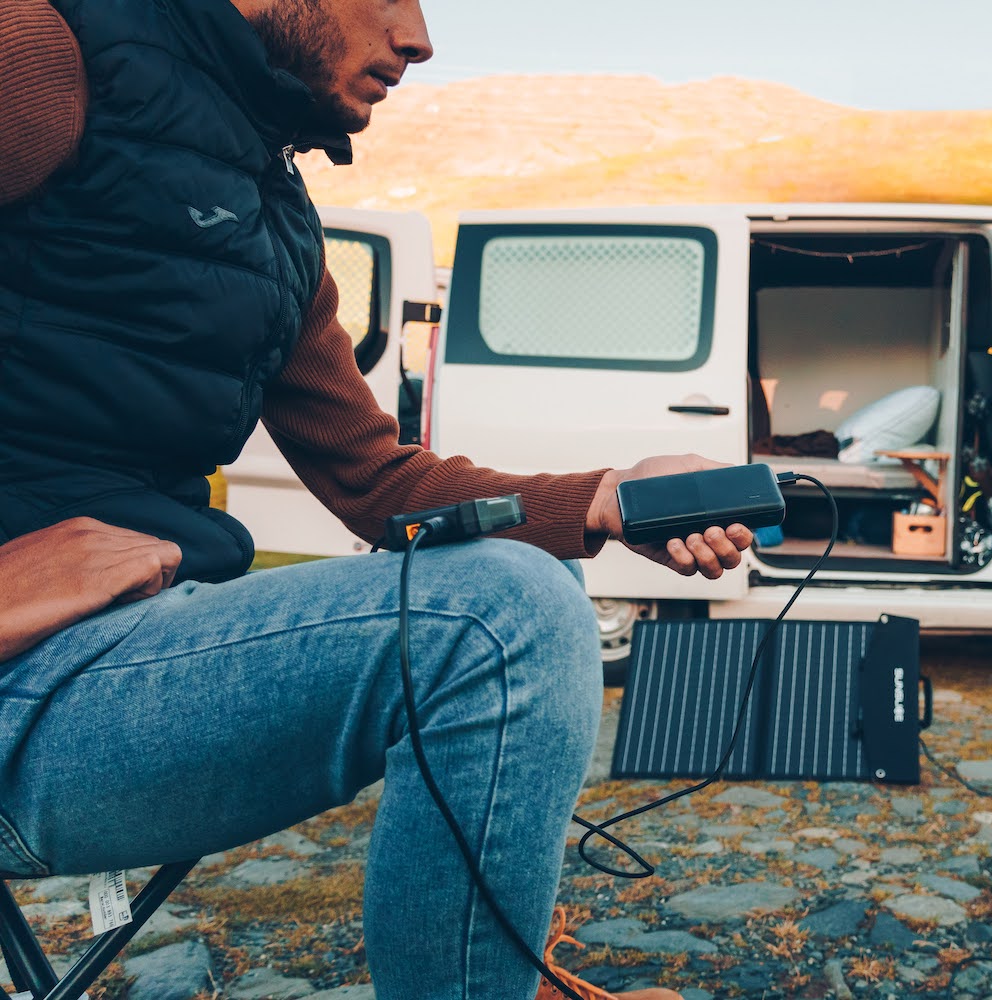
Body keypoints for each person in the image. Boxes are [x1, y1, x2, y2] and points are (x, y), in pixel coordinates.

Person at [0, 1, 752, 998]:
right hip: (26, 694)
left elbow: (375, 480)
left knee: (517, 587)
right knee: (501, 620)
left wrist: (607, 497)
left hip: (136, 662)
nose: (421, 37)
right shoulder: (43, 54)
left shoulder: (276, 217)